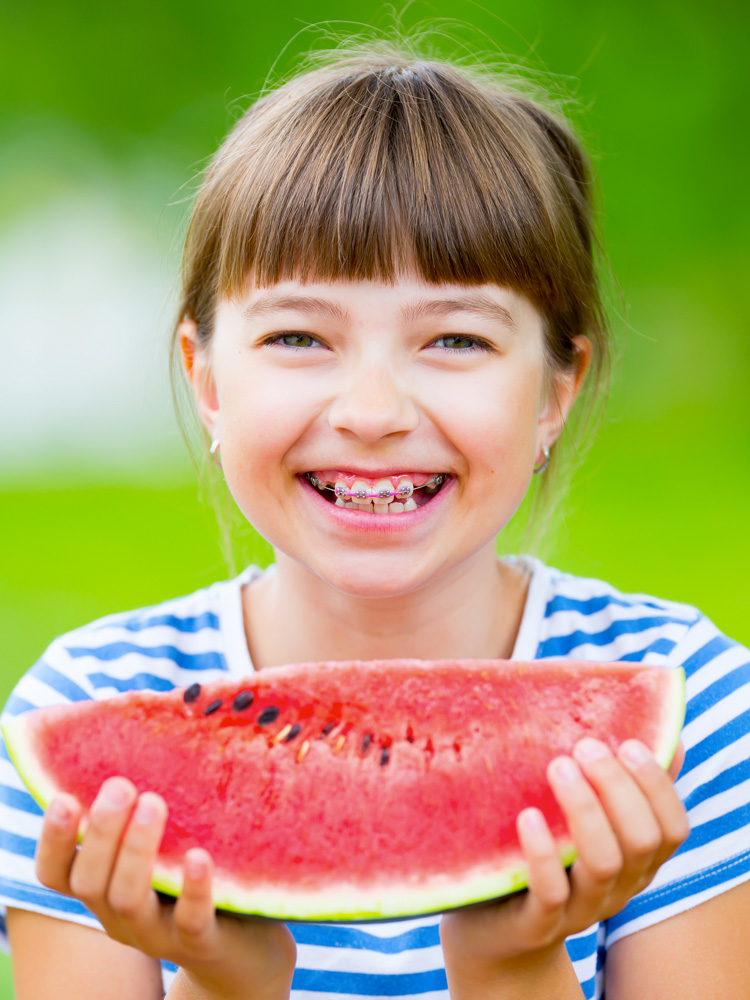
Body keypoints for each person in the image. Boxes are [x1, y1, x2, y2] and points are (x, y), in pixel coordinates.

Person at [1, 38, 749, 1000]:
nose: (372, 411)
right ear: (206, 377)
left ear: (557, 388)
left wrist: (513, 969)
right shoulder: (82, 711)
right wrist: (228, 983)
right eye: (299, 336)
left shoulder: (696, 713)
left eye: (455, 338)